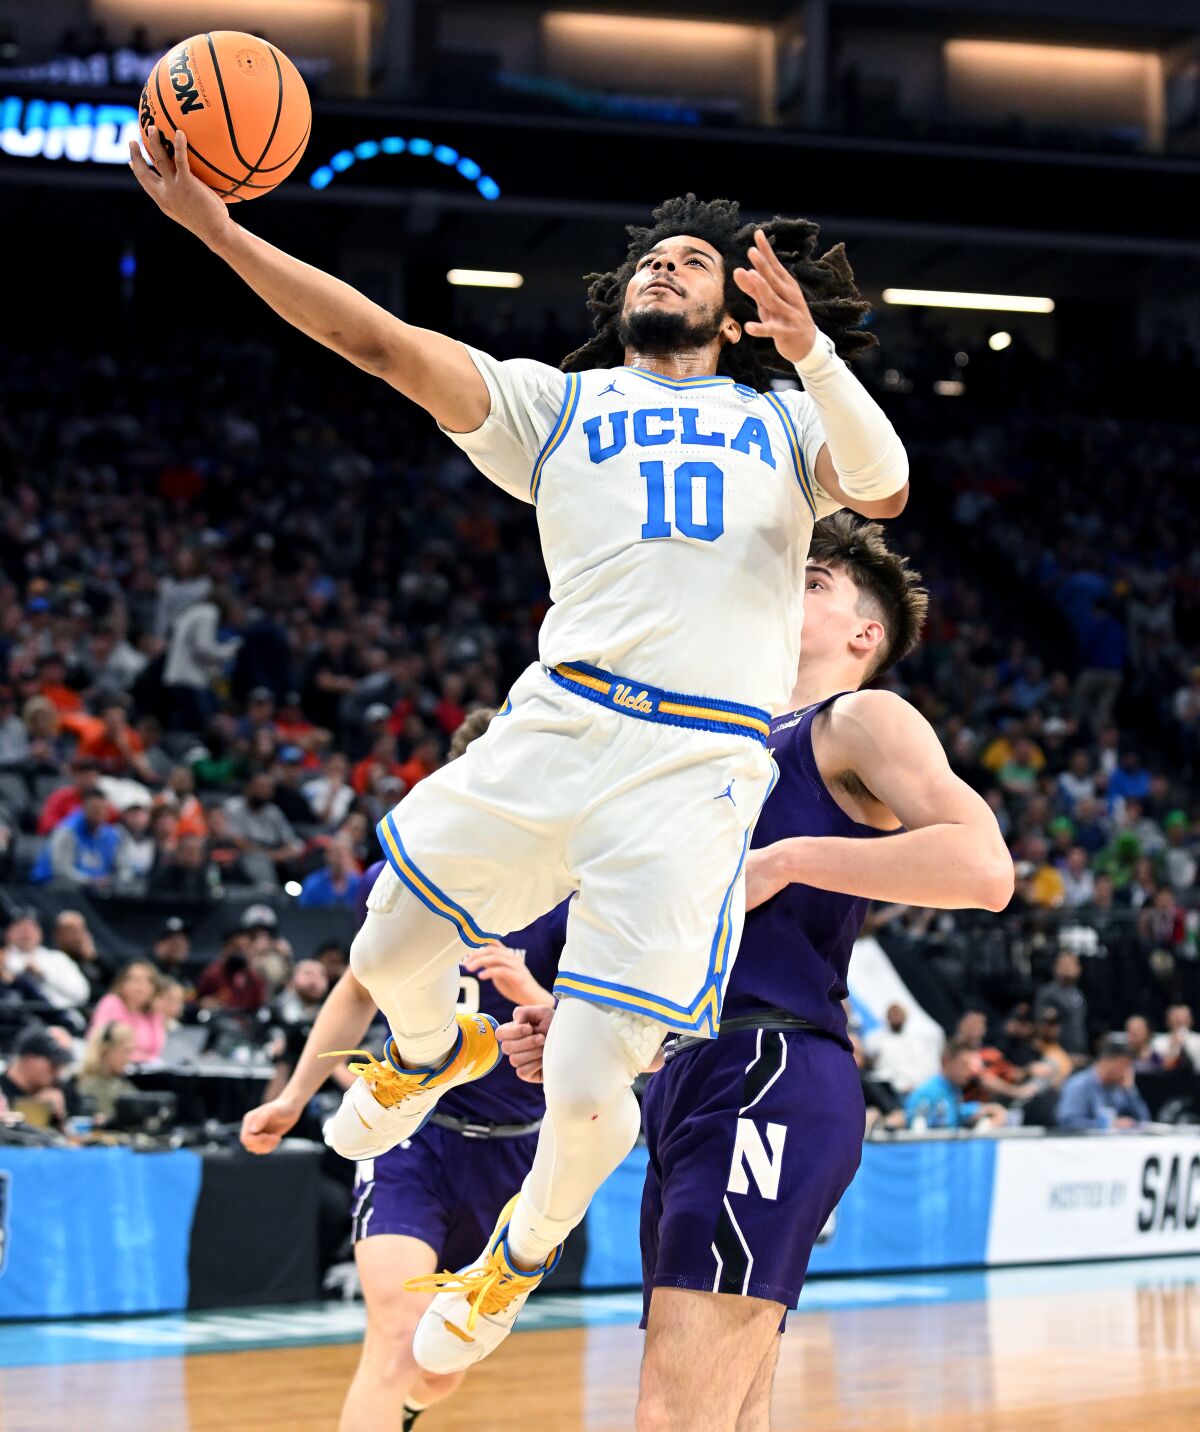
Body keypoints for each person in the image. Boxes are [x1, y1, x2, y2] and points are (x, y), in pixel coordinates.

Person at [132, 143, 912, 1365]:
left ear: (733, 308)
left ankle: (517, 1254)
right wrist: (218, 232)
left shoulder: (780, 416)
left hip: (695, 769)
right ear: (622, 298)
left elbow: (888, 480)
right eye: (652, 257)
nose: (666, 265)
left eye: (694, 259)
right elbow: (380, 341)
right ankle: (432, 1052)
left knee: (598, 1081)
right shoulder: (559, 406)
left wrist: (811, 345)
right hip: (560, 722)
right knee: (391, 934)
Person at [498, 516, 1011, 1431]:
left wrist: (788, 861)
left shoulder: (857, 717)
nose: (786, 587)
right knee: (731, 1412)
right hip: (686, 1071)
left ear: (866, 634)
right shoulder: (714, 738)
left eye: (813, 581)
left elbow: (984, 868)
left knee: (674, 1414)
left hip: (768, 1068)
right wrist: (578, 1021)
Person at [240, 714, 570, 1432]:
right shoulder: (415, 869)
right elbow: (357, 986)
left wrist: (536, 996)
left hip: (516, 1148)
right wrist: (296, 1095)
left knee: (435, 1362)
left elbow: (609, 1042)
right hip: (414, 1134)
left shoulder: (569, 889)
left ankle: (411, 1408)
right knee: (392, 1329)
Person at [905, 1040, 1008, 1131]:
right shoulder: (926, 1093)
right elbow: (917, 1132)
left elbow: (956, 1112)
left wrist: (982, 1110)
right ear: (946, 1062)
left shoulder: (954, 1089)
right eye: (964, 1065)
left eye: (971, 1066)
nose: (970, 1071)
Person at [1057, 1035, 1151, 1130]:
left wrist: (1130, 1090)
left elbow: (1144, 1119)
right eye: (1123, 1065)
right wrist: (1107, 1124)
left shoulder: (1120, 1086)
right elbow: (1068, 1121)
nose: (1127, 1071)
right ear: (1106, 1061)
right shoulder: (1078, 1084)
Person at [3, 907, 91, 1009]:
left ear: (39, 933)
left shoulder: (56, 958)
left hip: (61, 1016)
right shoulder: (3, 959)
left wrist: (44, 974)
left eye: (31, 928)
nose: (26, 933)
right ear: (8, 933)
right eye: (20, 928)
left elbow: (82, 994)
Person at [32, 788, 122, 886]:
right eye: (94, 809)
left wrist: (114, 880)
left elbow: (121, 868)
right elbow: (61, 871)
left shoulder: (112, 835)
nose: (99, 813)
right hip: (51, 888)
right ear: (83, 808)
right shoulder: (67, 832)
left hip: (93, 891)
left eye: (103, 808)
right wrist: (91, 881)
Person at [89, 961, 165, 1062]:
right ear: (122, 983)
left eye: (149, 981)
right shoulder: (111, 1003)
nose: (141, 986)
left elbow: (156, 1051)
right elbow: (98, 1042)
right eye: (136, 980)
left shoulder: (154, 1013)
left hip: (146, 1071)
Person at [0, 1024, 74, 1128]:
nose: (58, 1073)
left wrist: (59, 1119)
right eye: (53, 1065)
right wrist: (34, 1108)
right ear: (29, 1061)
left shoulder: (56, 1090)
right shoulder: (2, 1091)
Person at [861, 1002, 941, 1097]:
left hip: (922, 1087)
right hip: (895, 1091)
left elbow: (930, 1064)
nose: (896, 1017)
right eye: (893, 1014)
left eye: (898, 1013)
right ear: (887, 1017)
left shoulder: (918, 1038)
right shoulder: (875, 1040)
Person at [76, 1020, 139, 1124]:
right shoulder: (87, 1084)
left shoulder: (123, 1085)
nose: (129, 1058)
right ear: (107, 1050)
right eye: (126, 1051)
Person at [1033, 952, 1089, 1061]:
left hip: (1080, 1052)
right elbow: (1044, 1027)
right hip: (1058, 1055)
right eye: (1064, 964)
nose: (1068, 968)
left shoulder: (1078, 993)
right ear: (1055, 967)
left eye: (1072, 964)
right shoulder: (1048, 993)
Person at [297, 838, 362, 909]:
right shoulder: (313, 883)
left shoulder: (358, 884)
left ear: (350, 857)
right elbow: (303, 912)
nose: (337, 860)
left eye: (341, 855)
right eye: (334, 855)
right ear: (326, 857)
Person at [1152, 1004, 1200, 1071]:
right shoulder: (1157, 1041)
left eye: (1183, 1017)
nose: (1179, 1020)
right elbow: (1156, 1065)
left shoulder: (1198, 1039)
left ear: (1191, 1020)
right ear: (1167, 1020)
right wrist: (1173, 1046)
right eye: (1175, 1017)